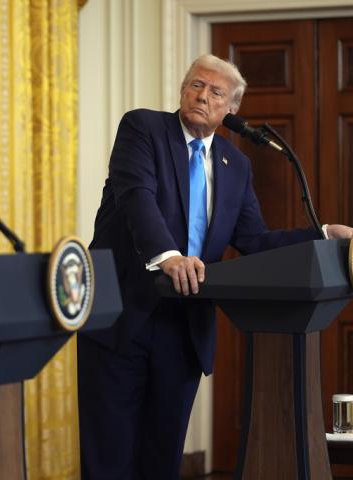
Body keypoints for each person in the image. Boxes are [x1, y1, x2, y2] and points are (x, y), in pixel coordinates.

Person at [77, 53, 353, 479]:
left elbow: (254, 240)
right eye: (195, 85)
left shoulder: (235, 165)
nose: (202, 96)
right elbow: (137, 198)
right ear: (184, 89)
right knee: (110, 457)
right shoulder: (143, 128)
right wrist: (168, 257)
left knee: (162, 457)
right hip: (122, 315)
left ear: (232, 109)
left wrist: (322, 234)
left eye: (215, 92)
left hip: (184, 327)